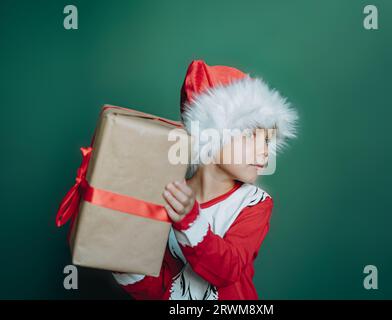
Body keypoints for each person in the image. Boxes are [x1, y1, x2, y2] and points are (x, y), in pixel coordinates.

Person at [112, 60, 299, 300]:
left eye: (266, 140)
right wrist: (127, 267)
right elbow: (163, 290)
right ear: (210, 136)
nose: (264, 150)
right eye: (251, 136)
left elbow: (227, 269)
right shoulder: (168, 196)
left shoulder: (254, 203)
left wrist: (190, 221)